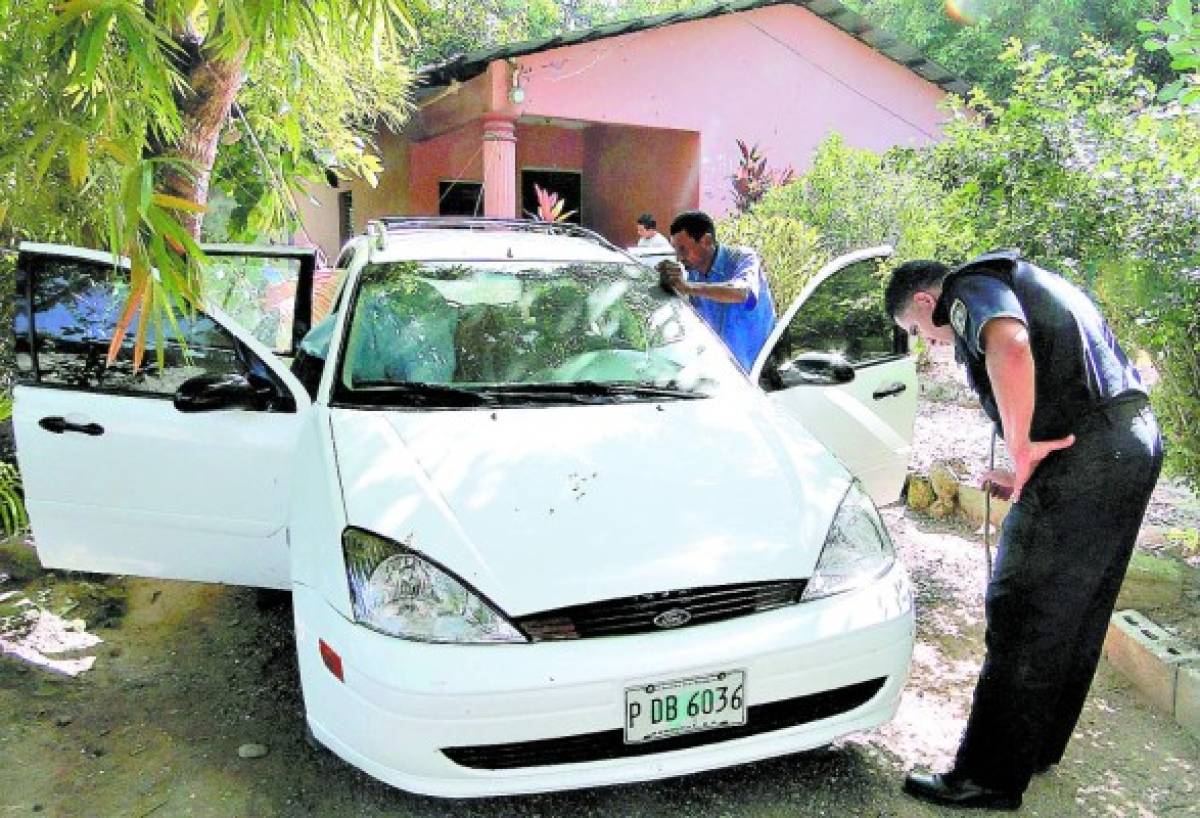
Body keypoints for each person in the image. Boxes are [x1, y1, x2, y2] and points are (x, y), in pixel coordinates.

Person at [885, 250, 1163, 811]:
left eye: (918, 331)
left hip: (1091, 454)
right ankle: (1031, 747)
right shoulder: (1024, 279)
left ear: (924, 301)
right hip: (1127, 442)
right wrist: (1025, 467)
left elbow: (1009, 345)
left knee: (1023, 610)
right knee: (1073, 611)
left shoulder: (968, 287)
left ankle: (986, 777)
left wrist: (1021, 448)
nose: (928, 342)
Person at [656, 210, 775, 371]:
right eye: (675, 250)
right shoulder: (692, 274)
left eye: (683, 249)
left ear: (706, 240)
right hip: (720, 375)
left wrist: (688, 287)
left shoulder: (742, 258)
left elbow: (742, 293)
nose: (679, 258)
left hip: (759, 373)